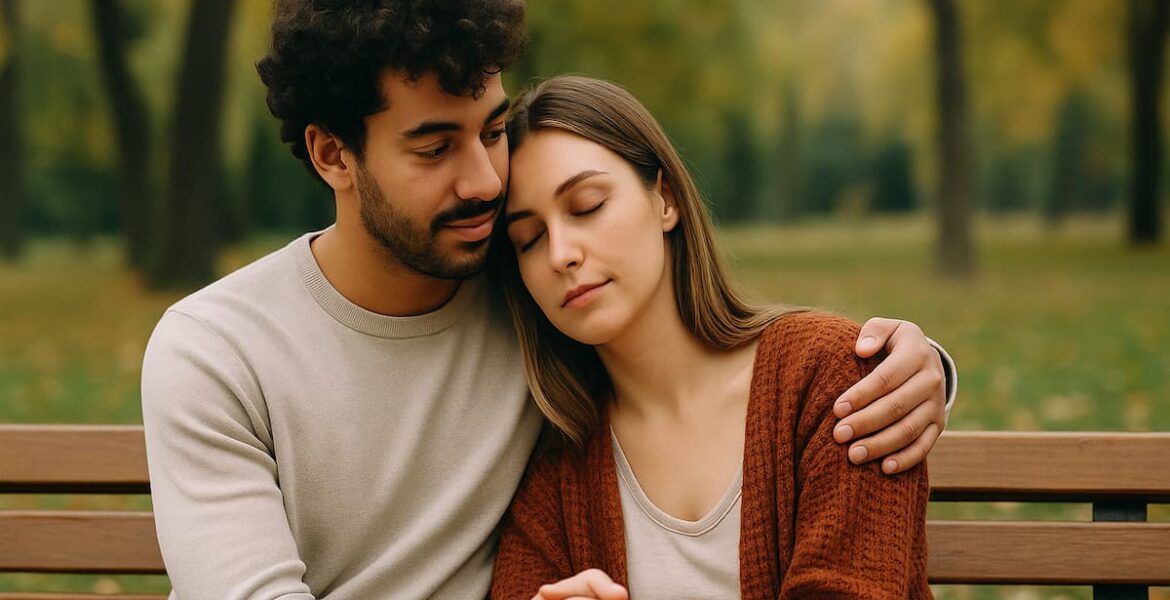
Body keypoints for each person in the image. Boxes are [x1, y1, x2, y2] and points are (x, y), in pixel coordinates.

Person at [140, 2, 953, 599]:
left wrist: (912, 367)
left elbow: (715, 351)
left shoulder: (526, 292)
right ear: (332, 155)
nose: (486, 182)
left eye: (491, 130)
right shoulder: (217, 351)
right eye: (434, 147)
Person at [489, 75, 932, 599]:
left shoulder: (833, 382)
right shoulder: (554, 479)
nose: (561, 253)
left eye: (587, 206)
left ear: (666, 200)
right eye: (529, 238)